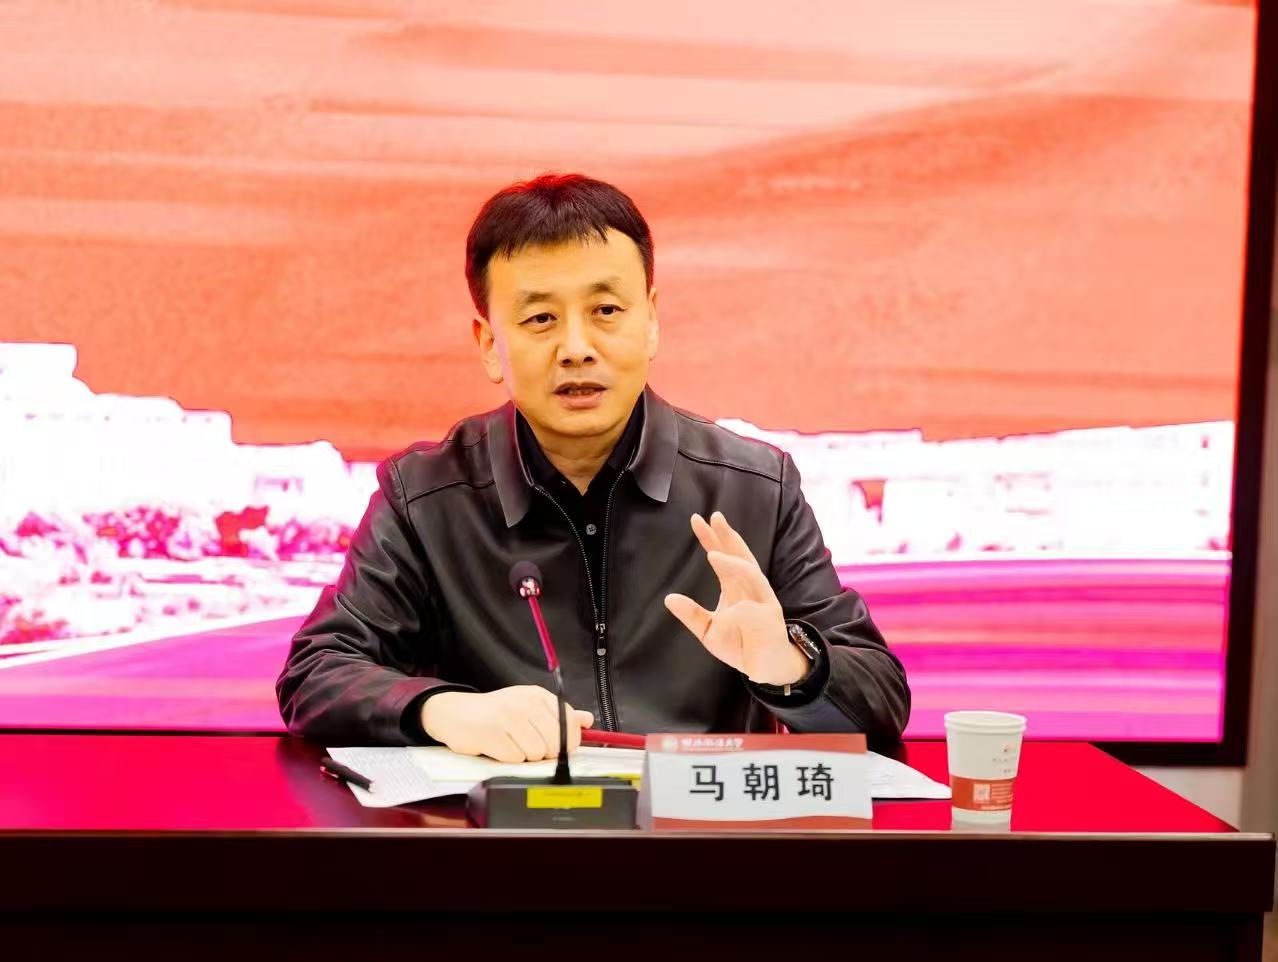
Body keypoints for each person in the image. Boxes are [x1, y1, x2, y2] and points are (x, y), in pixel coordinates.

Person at [276, 173, 910, 761]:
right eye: (540, 319)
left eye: (606, 311)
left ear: (651, 321)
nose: (576, 348)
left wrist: (791, 666)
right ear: (489, 344)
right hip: (504, 834)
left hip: (701, 834)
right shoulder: (425, 496)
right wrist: (445, 710)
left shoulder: (754, 488)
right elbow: (317, 672)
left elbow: (882, 698)